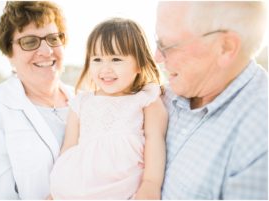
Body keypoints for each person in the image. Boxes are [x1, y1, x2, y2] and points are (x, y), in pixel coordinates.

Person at [155, 1, 268, 200]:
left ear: (225, 48)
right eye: (157, 42)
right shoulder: (162, 96)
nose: (157, 57)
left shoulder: (259, 138)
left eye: (167, 46)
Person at [49, 18, 168, 199]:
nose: (105, 68)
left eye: (116, 59)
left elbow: (155, 141)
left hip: (123, 187)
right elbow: (68, 149)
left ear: (139, 63)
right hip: (78, 187)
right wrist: (55, 191)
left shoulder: (145, 98)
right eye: (97, 59)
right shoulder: (81, 102)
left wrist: (151, 183)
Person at [0, 1, 74, 199]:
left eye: (53, 38)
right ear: (9, 53)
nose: (46, 51)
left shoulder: (87, 101)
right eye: (29, 41)